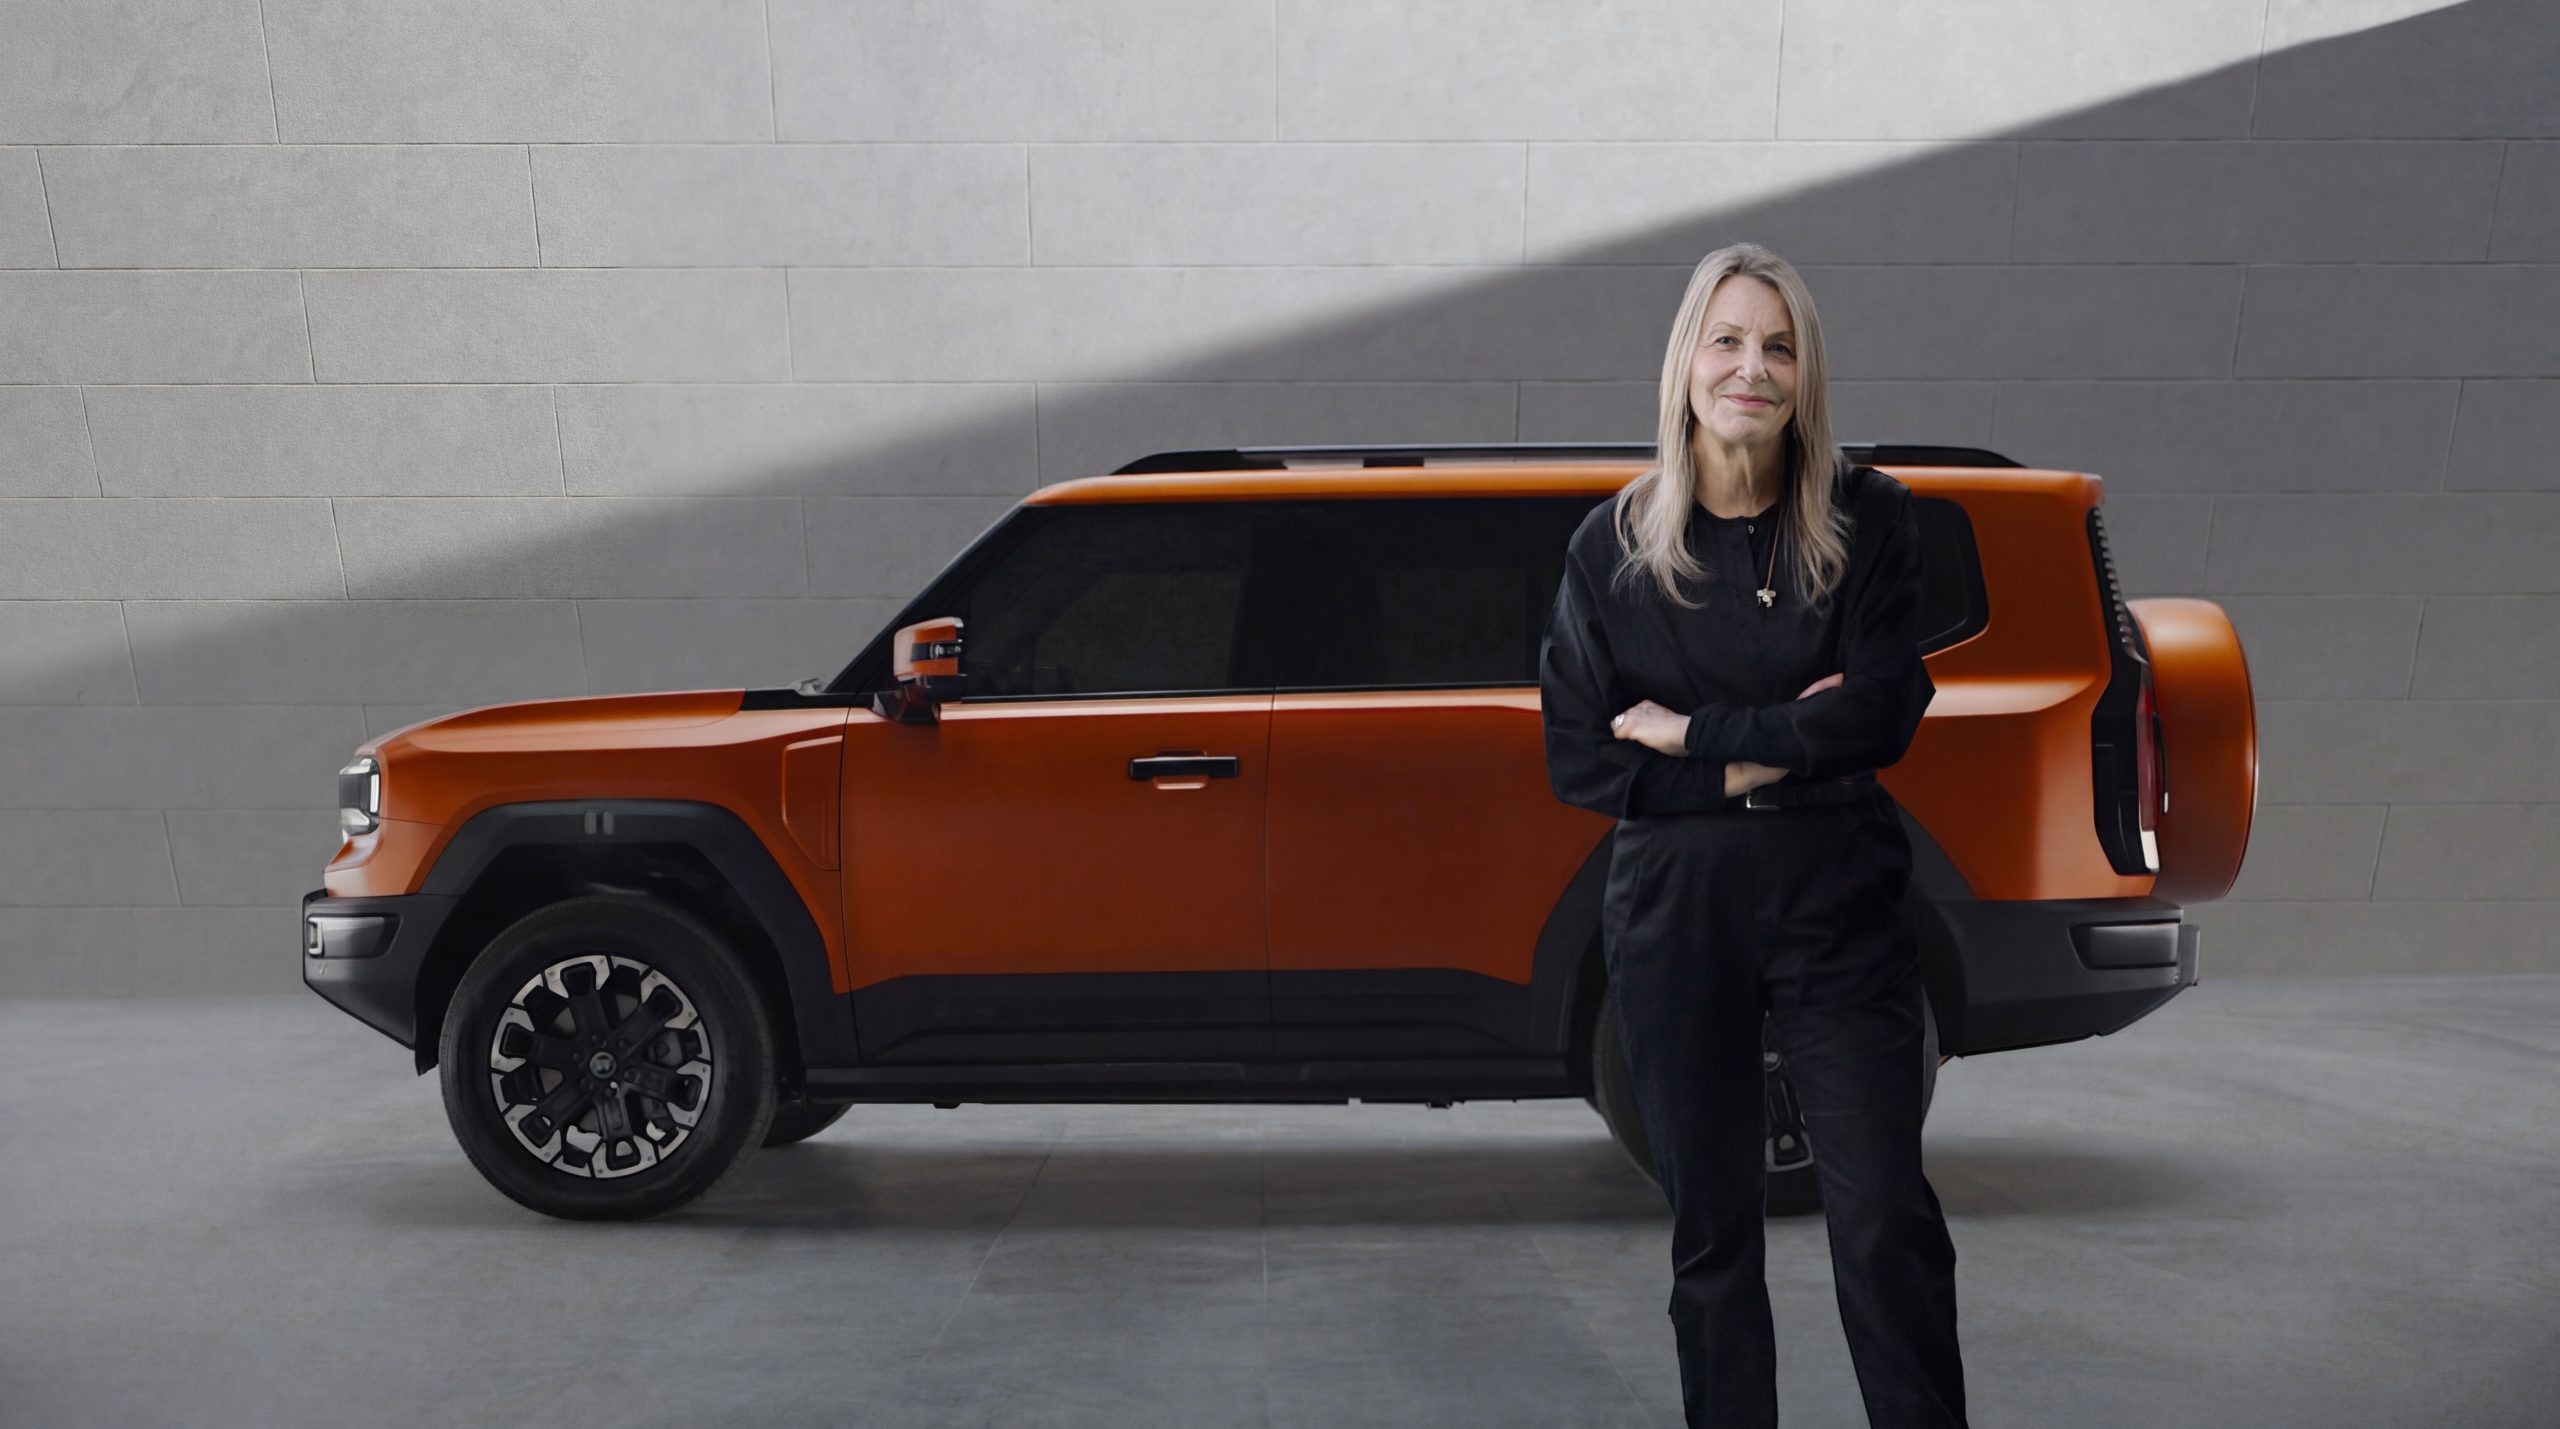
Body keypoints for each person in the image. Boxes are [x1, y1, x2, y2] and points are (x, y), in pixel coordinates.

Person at [1537, 241, 1968, 1428]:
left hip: (1840, 899)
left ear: (1805, 374)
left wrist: (1690, 736)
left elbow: (1880, 715)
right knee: (1713, 1237)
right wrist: (1776, 746)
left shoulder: (1870, 518)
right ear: (1686, 361)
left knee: (1882, 1219)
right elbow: (1581, 758)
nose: (1751, 368)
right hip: (1676, 914)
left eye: (1778, 347)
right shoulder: (1611, 547)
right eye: (1726, 341)